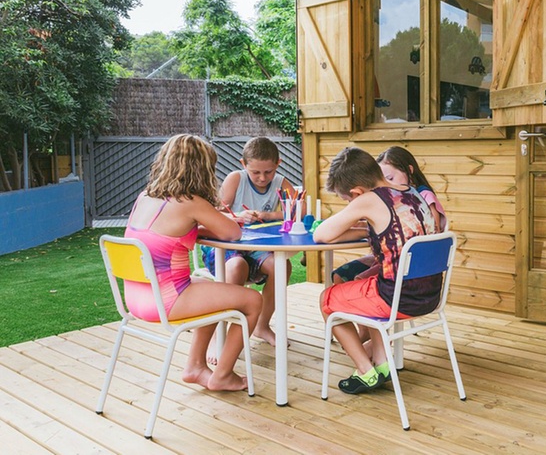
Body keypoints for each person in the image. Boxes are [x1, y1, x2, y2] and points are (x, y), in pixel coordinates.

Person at [125, 134, 261, 392]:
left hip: (137, 297)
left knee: (214, 289)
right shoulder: (190, 201)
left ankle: (195, 367)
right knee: (253, 301)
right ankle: (222, 375)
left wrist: (198, 228)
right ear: (202, 169)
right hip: (167, 299)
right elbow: (233, 233)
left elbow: (167, 233)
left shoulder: (146, 197)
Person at [314, 147, 438, 394]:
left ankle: (365, 370)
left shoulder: (370, 199)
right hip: (430, 294)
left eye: (348, 200)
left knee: (327, 300)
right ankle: (382, 364)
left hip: (396, 298)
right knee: (364, 289)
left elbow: (322, 234)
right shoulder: (413, 192)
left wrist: (355, 208)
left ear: (356, 193)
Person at [200, 136, 294, 350]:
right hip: (224, 245)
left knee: (282, 266)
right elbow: (217, 211)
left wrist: (268, 215)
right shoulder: (236, 178)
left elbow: (299, 209)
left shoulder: (280, 182)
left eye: (268, 172)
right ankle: (218, 333)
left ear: (277, 165)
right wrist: (239, 215)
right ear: (244, 165)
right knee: (236, 266)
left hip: (254, 246)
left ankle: (262, 325)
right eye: (256, 172)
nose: (262, 178)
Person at [331, 146, 446, 285]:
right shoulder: (392, 198)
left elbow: (431, 236)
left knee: (357, 280)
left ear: (409, 170)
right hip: (401, 265)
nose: (387, 184)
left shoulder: (421, 196)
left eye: (390, 178)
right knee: (340, 275)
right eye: (383, 179)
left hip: (410, 269)